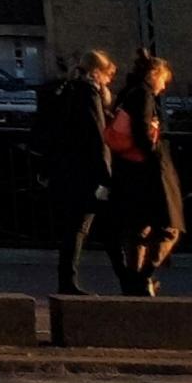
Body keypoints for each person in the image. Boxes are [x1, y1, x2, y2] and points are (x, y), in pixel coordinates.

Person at [32, 50, 119, 294]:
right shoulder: (88, 94)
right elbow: (97, 137)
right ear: (97, 73)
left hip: (64, 169)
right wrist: (106, 176)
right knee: (80, 228)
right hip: (85, 173)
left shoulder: (67, 90)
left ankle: (71, 280)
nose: (109, 82)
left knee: (78, 228)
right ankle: (70, 281)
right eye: (108, 76)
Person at [106, 55, 187, 295]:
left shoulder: (128, 93)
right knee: (169, 227)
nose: (164, 86)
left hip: (128, 169)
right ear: (154, 75)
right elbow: (142, 132)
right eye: (164, 79)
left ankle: (135, 281)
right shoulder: (143, 95)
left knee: (137, 228)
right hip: (147, 171)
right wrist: (154, 155)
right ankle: (144, 276)